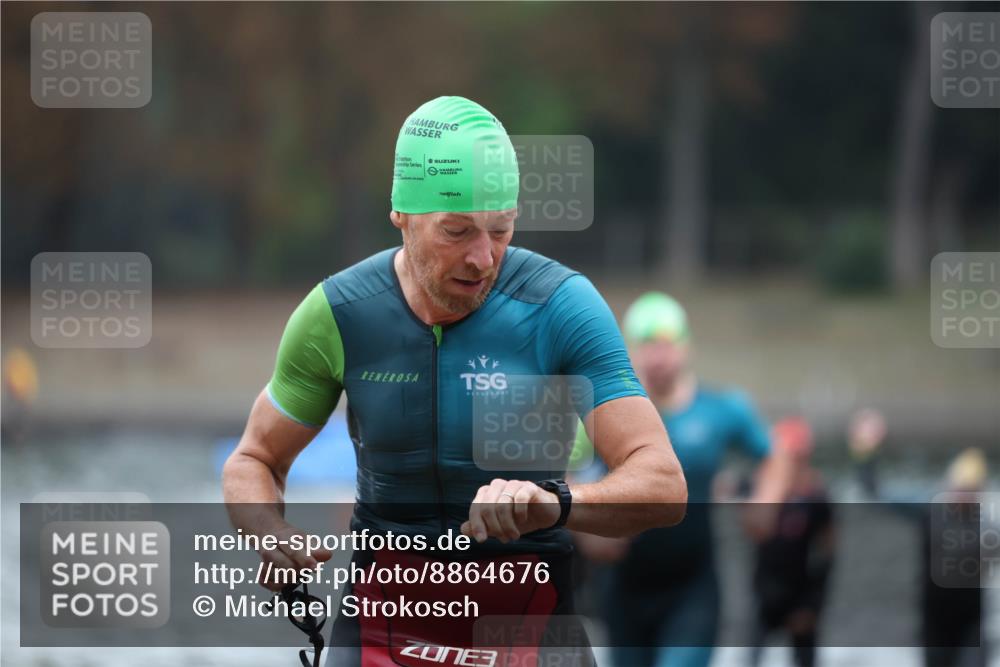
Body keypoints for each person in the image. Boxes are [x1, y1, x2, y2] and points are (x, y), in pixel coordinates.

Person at [222, 96, 687, 667]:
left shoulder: (560, 306)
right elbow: (255, 458)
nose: (483, 257)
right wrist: (267, 530)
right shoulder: (339, 313)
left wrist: (557, 502)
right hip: (383, 628)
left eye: (501, 229)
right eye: (457, 230)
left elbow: (663, 483)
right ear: (402, 213)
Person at [574, 291, 790, 667]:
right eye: (647, 345)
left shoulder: (721, 410)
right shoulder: (601, 414)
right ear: (629, 351)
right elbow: (566, 476)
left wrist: (765, 503)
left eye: (667, 345)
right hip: (622, 588)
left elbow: (776, 455)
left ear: (686, 347)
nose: (658, 357)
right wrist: (589, 533)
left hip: (693, 587)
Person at [848, 408, 991, 667]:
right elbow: (875, 493)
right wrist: (866, 451)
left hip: (971, 623)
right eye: (960, 489)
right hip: (935, 620)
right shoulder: (930, 508)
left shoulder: (987, 521)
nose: (964, 496)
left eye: (971, 491)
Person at [749, 417, 834, 667]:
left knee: (805, 657)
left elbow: (826, 553)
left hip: (802, 594)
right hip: (765, 594)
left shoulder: (817, 497)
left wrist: (812, 605)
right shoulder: (764, 490)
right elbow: (755, 530)